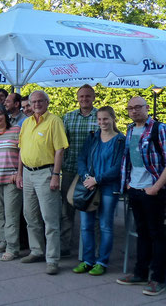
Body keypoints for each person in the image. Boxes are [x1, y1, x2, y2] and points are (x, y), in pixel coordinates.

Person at [116, 97, 166, 296]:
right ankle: (140, 273)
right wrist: (128, 182)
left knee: (157, 235)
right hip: (135, 189)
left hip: (153, 190)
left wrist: (155, 187)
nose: (133, 111)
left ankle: (158, 279)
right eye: (130, 108)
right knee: (142, 232)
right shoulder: (129, 129)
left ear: (147, 108)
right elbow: (130, 159)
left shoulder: (161, 129)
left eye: (137, 107)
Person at [16, 90, 69, 275]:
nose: (36, 104)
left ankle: (52, 259)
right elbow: (22, 150)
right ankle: (37, 251)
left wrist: (56, 174)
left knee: (50, 219)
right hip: (28, 174)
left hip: (46, 173)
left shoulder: (54, 121)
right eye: (33, 101)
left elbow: (59, 150)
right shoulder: (26, 123)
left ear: (47, 102)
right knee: (30, 216)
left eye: (40, 101)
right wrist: (19, 173)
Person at [72, 106, 125, 276]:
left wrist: (97, 179)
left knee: (105, 226)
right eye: (99, 119)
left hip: (109, 188)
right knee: (86, 225)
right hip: (89, 186)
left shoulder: (120, 140)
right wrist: (87, 176)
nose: (102, 122)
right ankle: (88, 260)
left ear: (113, 119)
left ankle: (102, 262)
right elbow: (82, 158)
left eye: (105, 119)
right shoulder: (93, 137)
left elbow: (118, 167)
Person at [61, 84, 99, 256]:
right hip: (70, 169)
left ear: (93, 98)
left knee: (91, 210)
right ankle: (64, 246)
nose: (84, 99)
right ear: (77, 98)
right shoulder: (68, 118)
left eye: (88, 96)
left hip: (92, 173)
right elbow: (61, 145)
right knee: (66, 210)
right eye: (81, 96)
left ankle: (90, 250)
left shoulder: (100, 117)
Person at [0, 104, 22, 261]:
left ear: (6, 115)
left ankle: (12, 248)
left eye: (0, 114)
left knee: (11, 214)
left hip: (11, 179)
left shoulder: (16, 130)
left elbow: (22, 152)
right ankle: (3, 240)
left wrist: (18, 172)